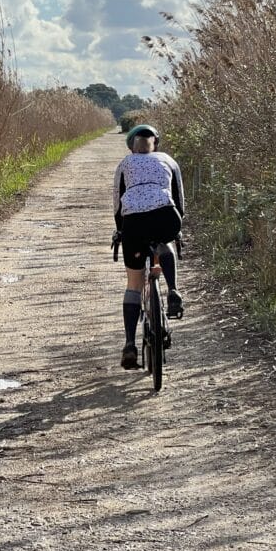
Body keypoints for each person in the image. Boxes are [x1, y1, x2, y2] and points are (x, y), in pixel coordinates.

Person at [112, 124, 184, 369]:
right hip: (166, 215)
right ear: (156, 144)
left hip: (134, 223)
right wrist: (178, 228)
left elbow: (117, 203)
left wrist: (121, 231)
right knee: (165, 243)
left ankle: (130, 344)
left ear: (132, 147)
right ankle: (173, 290)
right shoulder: (168, 160)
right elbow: (179, 197)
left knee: (134, 284)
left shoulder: (124, 164)